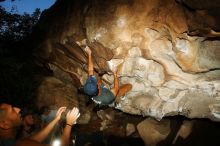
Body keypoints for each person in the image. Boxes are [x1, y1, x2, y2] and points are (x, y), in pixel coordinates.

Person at [0, 103, 80, 146]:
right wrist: (69, 124)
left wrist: (56, 119)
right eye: (12, 110)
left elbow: (33, 140)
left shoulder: (9, 141)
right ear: (5, 124)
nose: (18, 109)